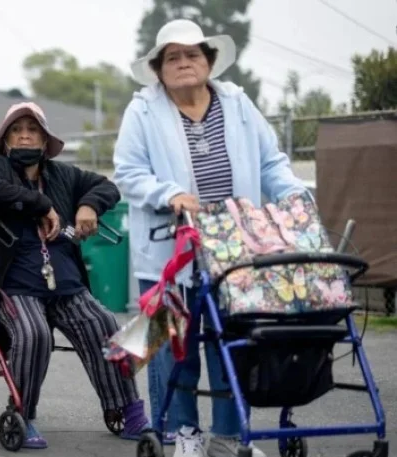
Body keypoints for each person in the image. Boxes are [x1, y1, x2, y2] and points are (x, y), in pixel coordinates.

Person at [112, 19, 308, 457]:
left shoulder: (237, 103)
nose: (184, 62)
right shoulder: (142, 110)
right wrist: (169, 194)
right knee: (170, 346)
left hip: (235, 248)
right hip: (168, 250)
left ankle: (227, 436)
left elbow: (270, 162)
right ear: (159, 68)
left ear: (209, 60)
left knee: (231, 342)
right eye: (173, 57)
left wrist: (295, 195)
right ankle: (183, 432)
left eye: (192, 54)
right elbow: (128, 171)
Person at [0, 101, 150, 449]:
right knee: (34, 334)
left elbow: (108, 187)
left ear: (45, 140)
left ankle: (127, 408)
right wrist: (42, 205)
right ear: (5, 140)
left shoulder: (63, 175)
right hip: (14, 286)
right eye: (17, 131)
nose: (25, 136)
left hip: (65, 284)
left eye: (33, 130)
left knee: (104, 322)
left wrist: (88, 205)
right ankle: (23, 412)